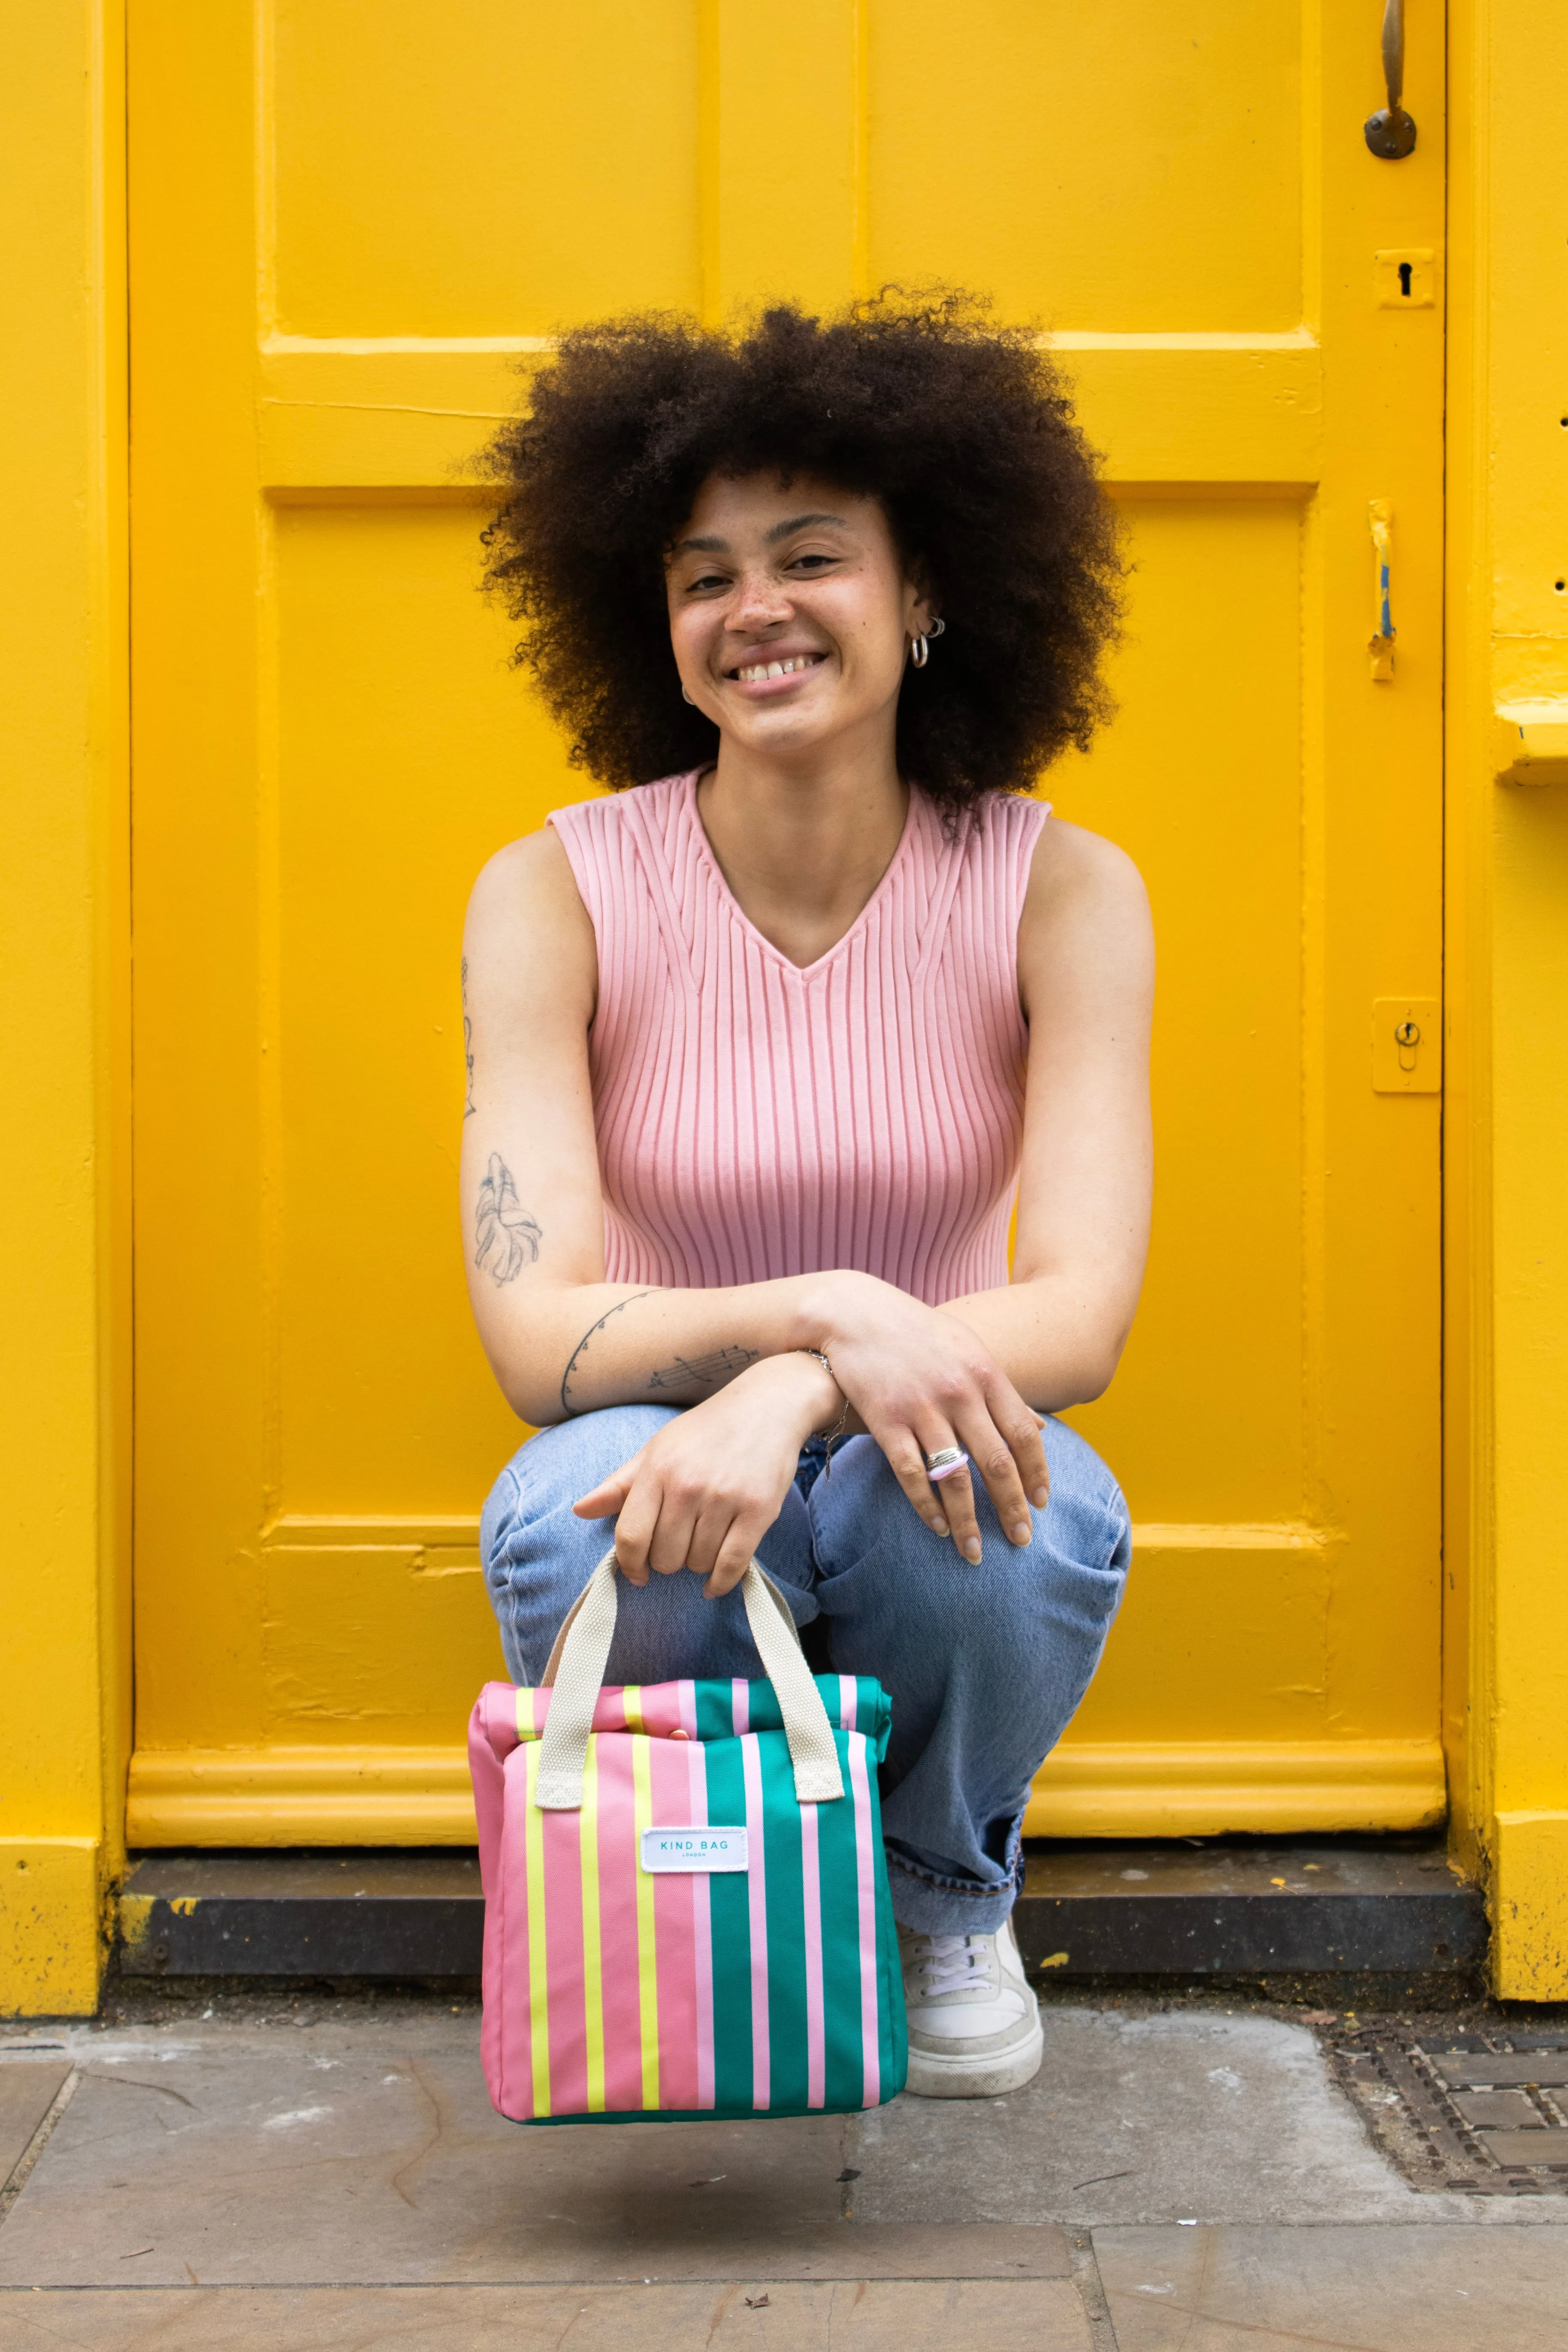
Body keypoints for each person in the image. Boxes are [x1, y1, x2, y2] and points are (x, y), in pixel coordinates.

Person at [462, 295, 1152, 2099]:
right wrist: (822, 1310)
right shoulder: (551, 889)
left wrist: (797, 1377)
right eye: (703, 577)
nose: (752, 606)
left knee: (1017, 1512)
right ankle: (707, 1904)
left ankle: (938, 1896)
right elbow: (535, 1338)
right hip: (655, 1435)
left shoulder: (1060, 886)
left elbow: (1078, 1314)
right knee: (576, 1516)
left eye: (810, 557)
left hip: (919, 1438)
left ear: (925, 593)